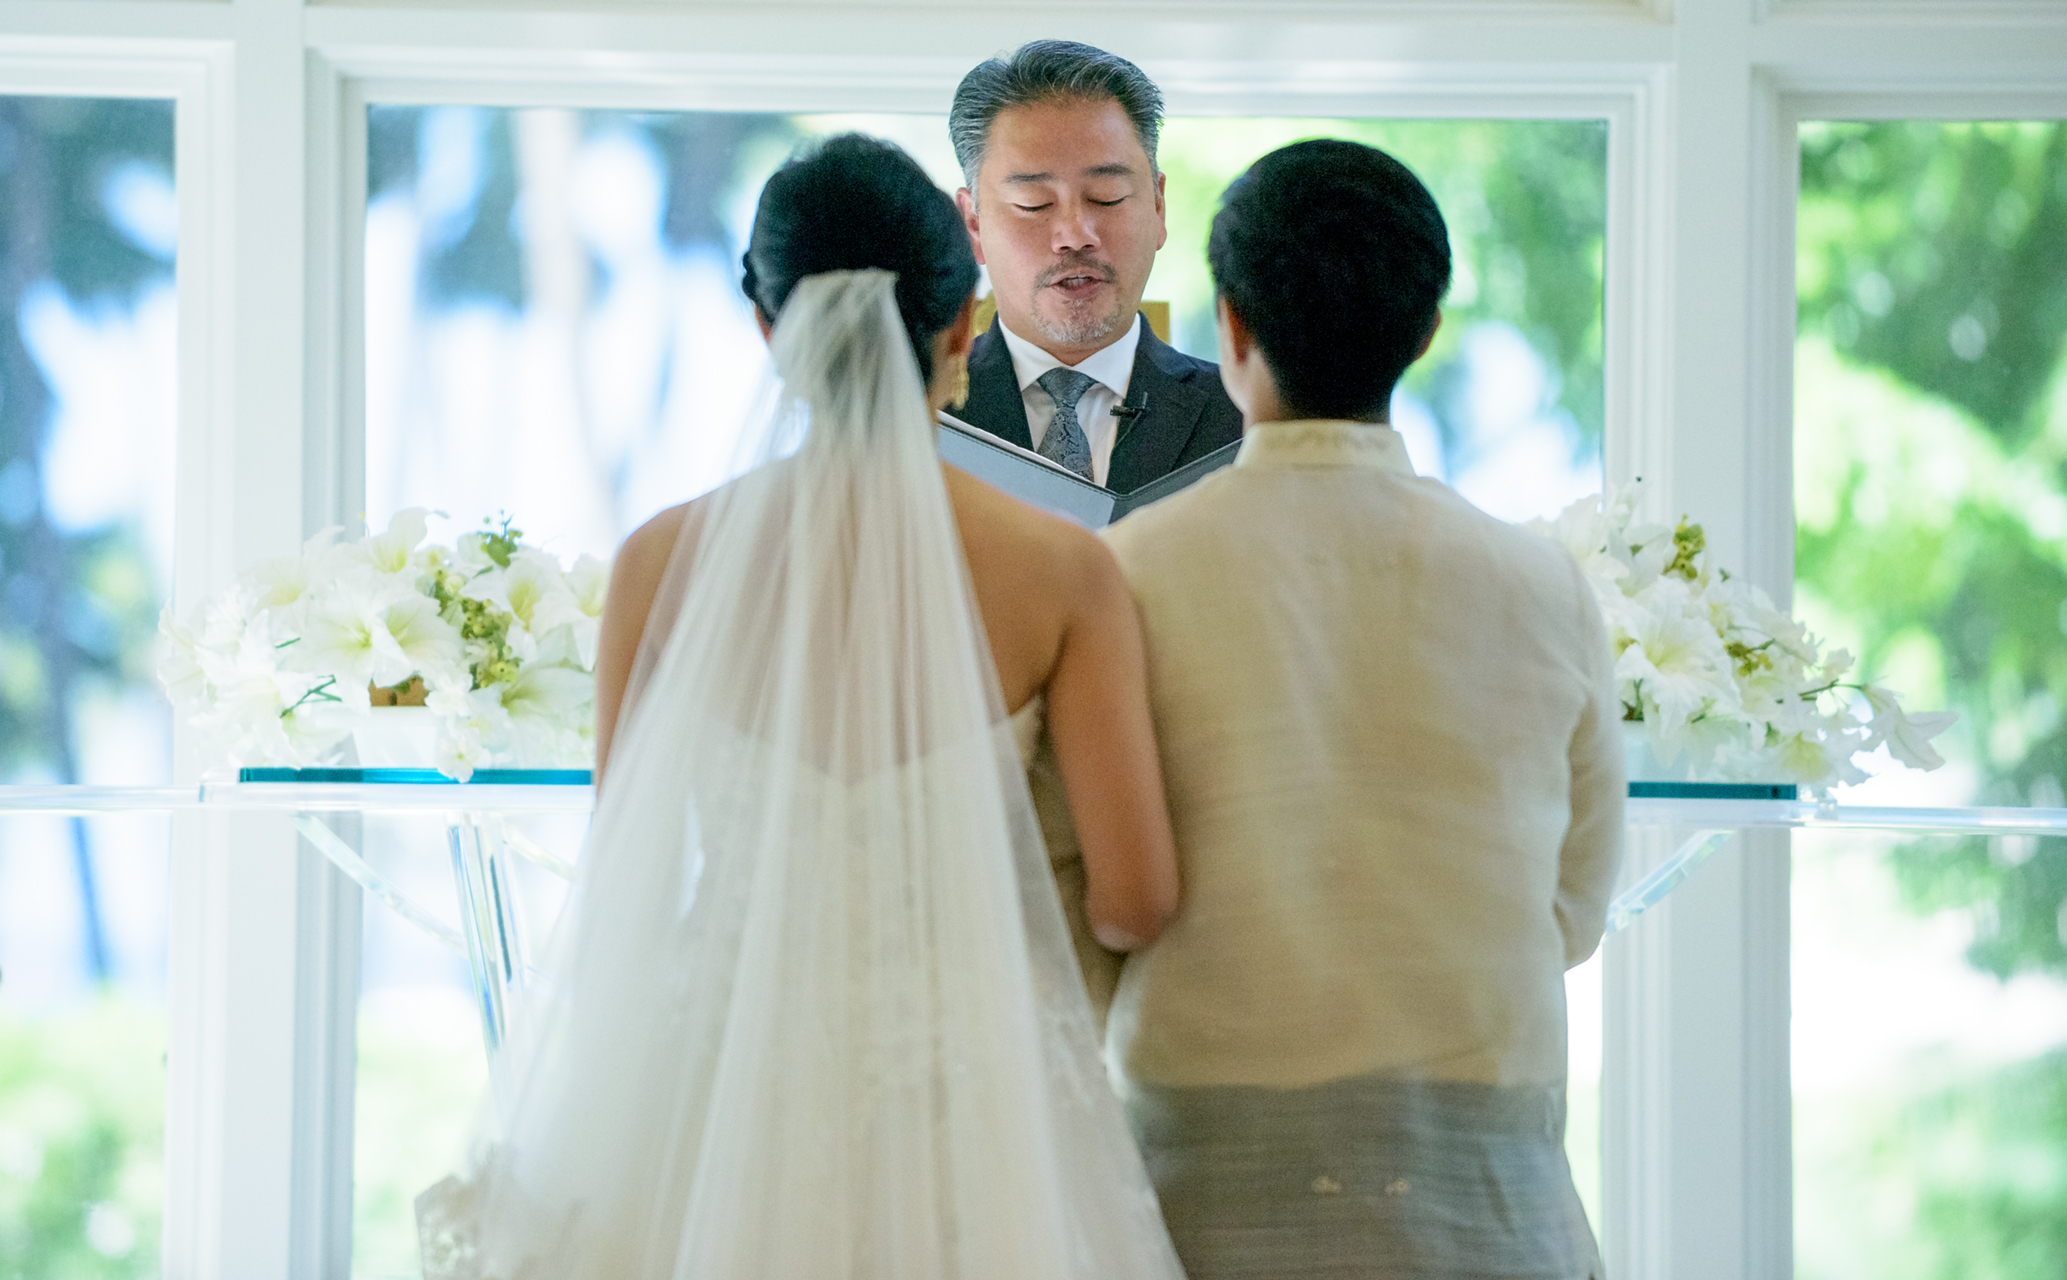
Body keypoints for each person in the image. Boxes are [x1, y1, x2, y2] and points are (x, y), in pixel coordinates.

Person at [414, 134, 1185, 1279]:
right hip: (970, 1095)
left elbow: (630, 872)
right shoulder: (1066, 575)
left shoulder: (661, 564)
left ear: (771, 331)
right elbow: (1134, 899)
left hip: (720, 1085)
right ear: (966, 327)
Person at [1101, 138, 1624, 1280]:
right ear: (1426, 330)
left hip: (1199, 1204)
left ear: (1229, 326)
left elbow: (1084, 906)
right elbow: (1576, 913)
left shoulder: (1129, 575)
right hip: (1493, 1204)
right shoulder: (1541, 584)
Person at [948, 39, 1241, 493]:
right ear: (973, 224)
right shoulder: (910, 417)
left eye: (1107, 197)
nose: (1075, 235)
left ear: (1158, 207)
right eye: (1034, 204)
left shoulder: (1246, 421)